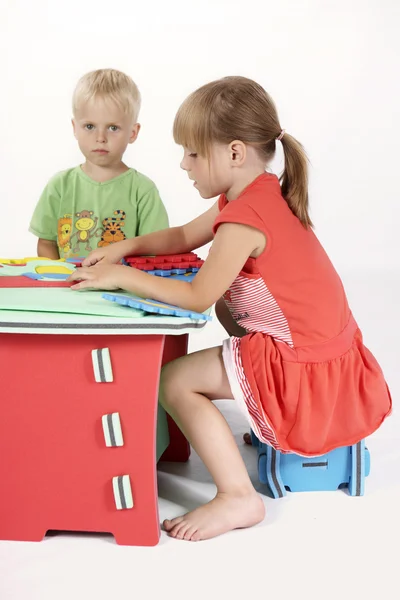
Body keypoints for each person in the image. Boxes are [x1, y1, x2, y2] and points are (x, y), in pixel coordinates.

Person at [67, 76, 392, 541]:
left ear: (235, 152)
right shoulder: (255, 192)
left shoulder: (246, 218)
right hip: (322, 352)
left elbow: (198, 294)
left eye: (194, 153)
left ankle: (237, 496)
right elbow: (182, 237)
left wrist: (121, 276)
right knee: (228, 310)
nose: (184, 164)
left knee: (174, 380)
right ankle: (259, 422)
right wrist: (127, 247)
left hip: (305, 370)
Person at [29, 68, 168, 260]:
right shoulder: (60, 186)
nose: (100, 138)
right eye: (90, 126)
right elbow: (46, 243)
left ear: (133, 133)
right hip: (69, 287)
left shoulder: (143, 191)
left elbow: (155, 250)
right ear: (75, 128)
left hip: (122, 289)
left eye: (113, 128)